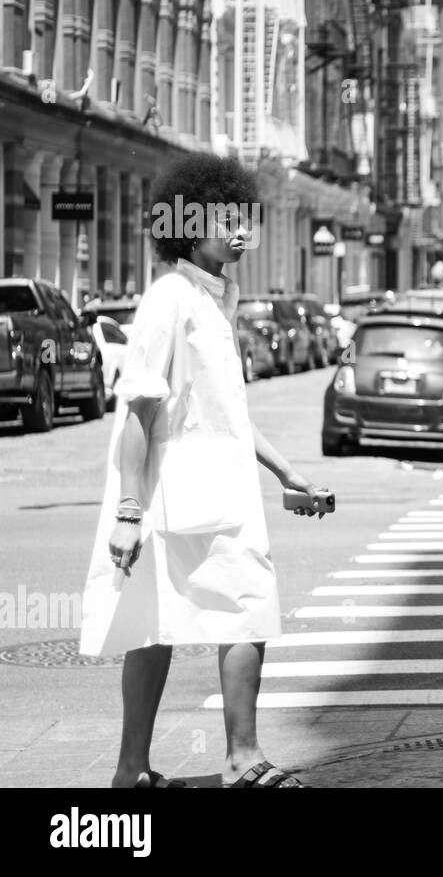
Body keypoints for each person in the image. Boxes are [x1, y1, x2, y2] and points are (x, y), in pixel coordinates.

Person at [79, 154, 329, 788]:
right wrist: (128, 513)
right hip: (174, 490)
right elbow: (136, 410)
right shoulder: (171, 296)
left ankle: (132, 771)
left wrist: (286, 474)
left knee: (155, 623)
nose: (242, 230)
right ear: (189, 225)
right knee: (242, 605)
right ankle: (241, 760)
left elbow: (229, 415)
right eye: (228, 219)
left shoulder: (219, 296)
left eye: (247, 217)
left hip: (215, 483)